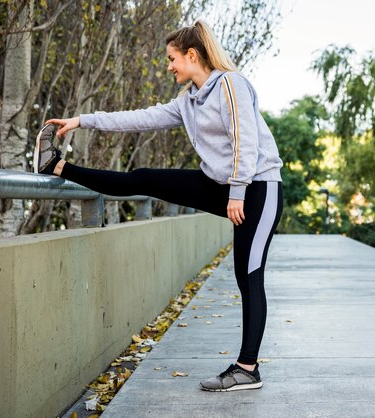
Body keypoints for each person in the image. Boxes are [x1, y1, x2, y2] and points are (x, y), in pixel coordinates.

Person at [35, 20, 284, 392]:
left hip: (258, 188)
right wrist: (82, 121)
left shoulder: (230, 84)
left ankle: (247, 368)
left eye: (172, 59)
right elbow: (139, 119)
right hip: (222, 184)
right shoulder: (188, 102)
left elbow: (244, 140)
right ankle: (57, 166)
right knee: (145, 178)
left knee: (248, 275)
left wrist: (237, 193)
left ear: (192, 55)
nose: (168, 66)